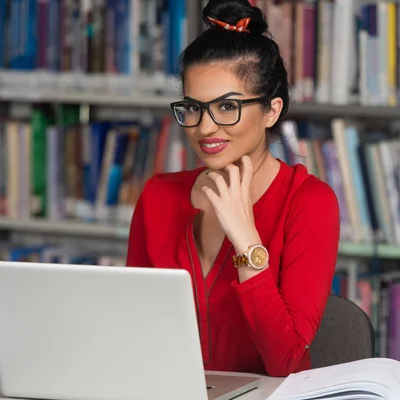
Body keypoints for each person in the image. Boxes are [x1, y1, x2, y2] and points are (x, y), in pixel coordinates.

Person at [126, 0, 340, 377]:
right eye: (193, 107)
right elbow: (133, 331)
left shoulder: (309, 202)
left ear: (272, 110)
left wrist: (246, 240)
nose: (205, 127)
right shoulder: (157, 196)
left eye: (227, 106)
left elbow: (285, 361)